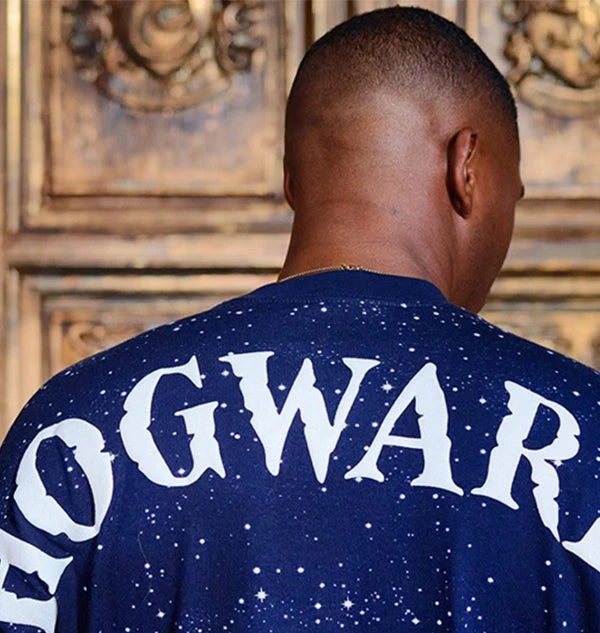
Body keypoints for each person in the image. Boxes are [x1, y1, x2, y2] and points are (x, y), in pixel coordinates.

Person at [1, 6, 599, 632]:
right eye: (513, 192)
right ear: (467, 166)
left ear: (292, 182)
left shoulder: (76, 428)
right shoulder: (585, 436)